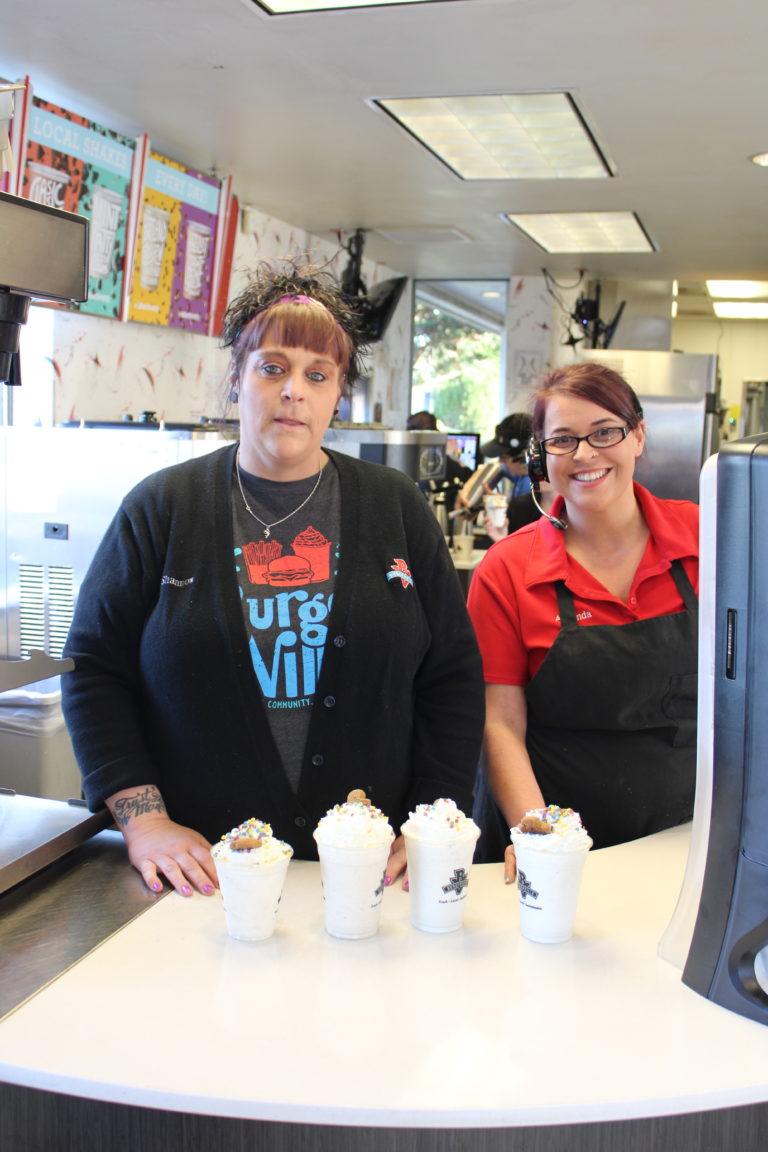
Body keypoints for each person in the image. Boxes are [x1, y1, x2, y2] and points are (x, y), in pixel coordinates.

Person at [62, 262, 485, 898]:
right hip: (203, 875)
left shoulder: (395, 506)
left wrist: (433, 821)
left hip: (371, 872)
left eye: (318, 375)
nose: (295, 391)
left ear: (338, 393)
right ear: (238, 378)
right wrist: (144, 820)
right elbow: (94, 668)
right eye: (273, 368)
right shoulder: (161, 508)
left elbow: (451, 675)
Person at [466, 363, 699, 877]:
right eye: (563, 440)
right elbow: (500, 721)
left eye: (605, 432)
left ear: (637, 436)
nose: (586, 454)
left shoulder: (709, 538)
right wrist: (538, 834)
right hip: (554, 839)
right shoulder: (507, 570)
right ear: (541, 458)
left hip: (687, 837)